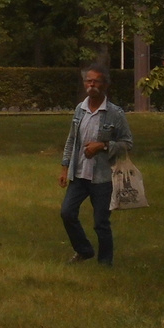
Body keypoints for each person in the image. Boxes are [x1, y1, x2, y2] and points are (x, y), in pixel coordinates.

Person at [58, 65, 133, 266]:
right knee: (67, 212)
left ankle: (105, 263)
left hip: (102, 178)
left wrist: (103, 146)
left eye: (96, 81)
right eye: (88, 81)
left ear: (105, 85)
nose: (91, 85)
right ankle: (84, 250)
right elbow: (71, 140)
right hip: (79, 174)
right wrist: (65, 167)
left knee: (101, 223)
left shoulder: (114, 113)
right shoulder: (79, 110)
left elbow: (127, 143)